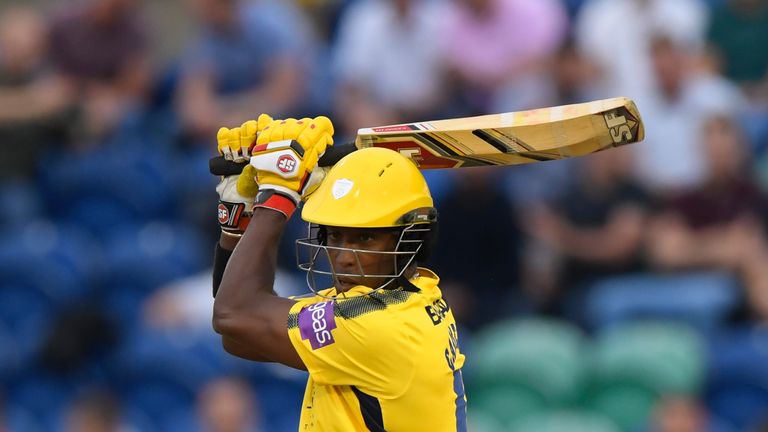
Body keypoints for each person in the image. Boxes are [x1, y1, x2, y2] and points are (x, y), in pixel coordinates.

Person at [211, 115, 467, 430]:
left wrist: (278, 194)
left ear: (413, 237)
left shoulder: (380, 326)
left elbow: (234, 315)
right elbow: (239, 337)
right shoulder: (396, 298)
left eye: (365, 238)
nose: (344, 257)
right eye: (334, 236)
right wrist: (240, 222)